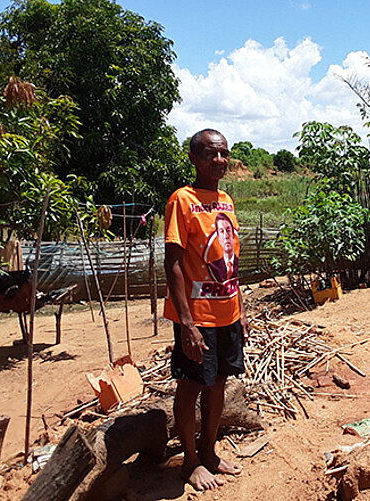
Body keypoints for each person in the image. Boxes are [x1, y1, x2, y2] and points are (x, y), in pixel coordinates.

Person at [164, 129, 250, 491]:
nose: (220, 161)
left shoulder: (226, 200)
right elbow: (173, 262)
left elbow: (230, 259)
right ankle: (191, 461)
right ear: (194, 159)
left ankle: (210, 452)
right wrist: (186, 323)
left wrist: (241, 310)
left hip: (227, 312)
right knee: (190, 386)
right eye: (211, 154)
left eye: (224, 154)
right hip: (197, 316)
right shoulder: (181, 200)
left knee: (218, 384)